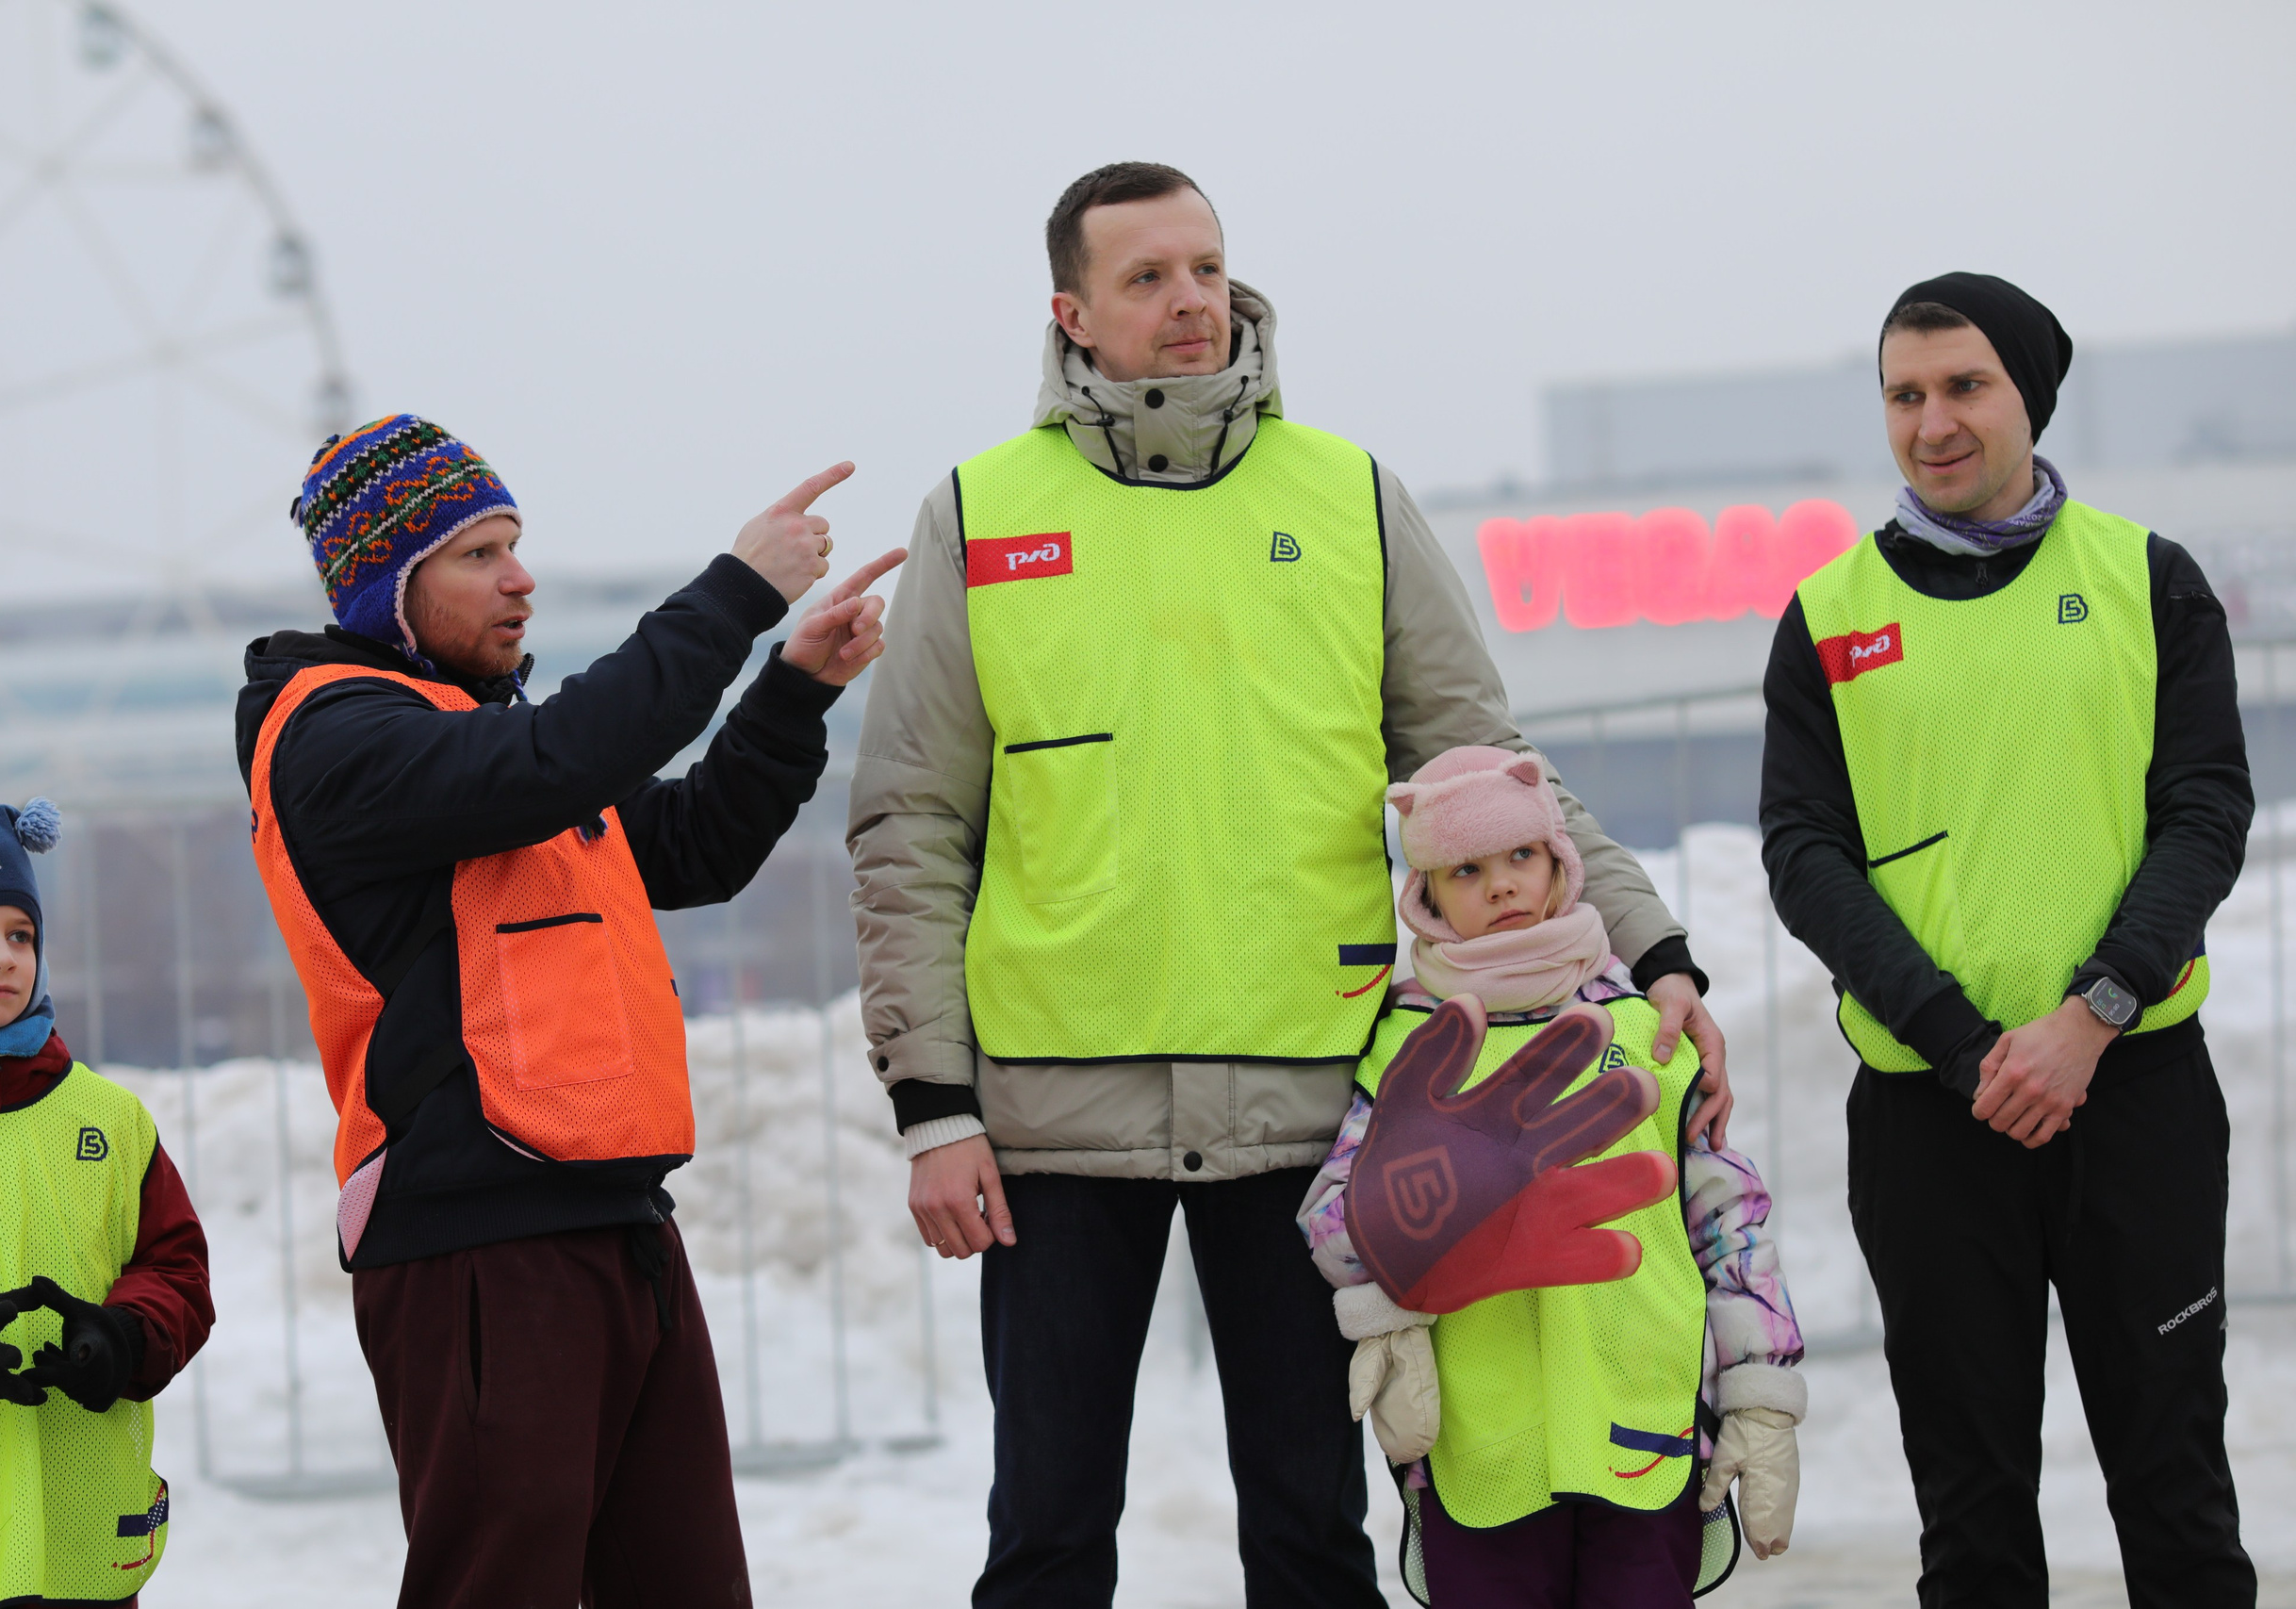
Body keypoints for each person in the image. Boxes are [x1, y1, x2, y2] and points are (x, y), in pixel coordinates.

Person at [848, 160, 1730, 1608]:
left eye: (1206, 267)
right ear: (1071, 312)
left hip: (1313, 1113)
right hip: (1055, 1120)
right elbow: (910, 827)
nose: (1192, 300)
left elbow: (1485, 762)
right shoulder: (980, 511)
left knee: (1315, 1541)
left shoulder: (1345, 494)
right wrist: (933, 1106)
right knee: (1048, 1540)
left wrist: (1651, 942)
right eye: (1147, 278)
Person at [240, 414, 898, 1608]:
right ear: (388, 585)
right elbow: (563, 761)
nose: (521, 578)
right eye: (480, 554)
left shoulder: (477, 739)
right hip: (473, 1242)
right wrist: (738, 591)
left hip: (617, 1221)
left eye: (516, 545)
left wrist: (791, 693)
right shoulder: (333, 737)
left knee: (686, 1583)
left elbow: (690, 844)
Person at [1761, 273, 2256, 1606]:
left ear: (2029, 393)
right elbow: (1804, 853)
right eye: (1905, 393)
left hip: (2134, 1093)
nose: (1934, 421)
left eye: (1965, 385)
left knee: (2176, 1496)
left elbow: (2205, 814)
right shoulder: (1826, 616)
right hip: (1935, 1113)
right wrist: (1964, 1040)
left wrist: (2091, 1011)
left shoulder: (2148, 582)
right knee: (1971, 1521)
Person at [1298, 747, 1803, 1606]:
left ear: (1560, 864)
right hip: (1484, 1436)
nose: (1500, 886)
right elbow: (1336, 1217)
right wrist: (1392, 1306)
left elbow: (1730, 1219)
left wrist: (1761, 1392)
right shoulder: (1405, 1047)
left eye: (1520, 857)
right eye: (1467, 868)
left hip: (1641, 1416)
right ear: (1425, 890)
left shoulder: (1648, 1031)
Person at [0, 799, 213, 1609]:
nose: (2, 957)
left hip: (86, 1532)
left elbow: (177, 1271)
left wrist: (126, 1333)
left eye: (20, 934)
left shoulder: (109, 1118)